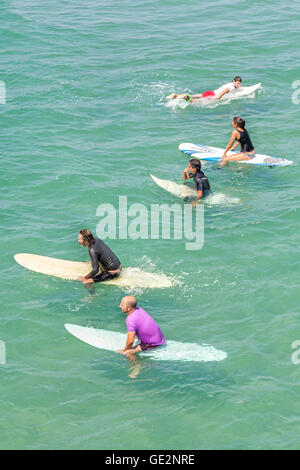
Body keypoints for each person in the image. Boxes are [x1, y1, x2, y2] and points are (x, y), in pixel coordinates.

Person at [166, 76, 242, 102]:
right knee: (196, 102)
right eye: (237, 83)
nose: (238, 85)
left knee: (195, 96)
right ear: (234, 81)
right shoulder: (230, 87)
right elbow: (223, 92)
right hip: (212, 95)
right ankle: (186, 97)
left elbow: (234, 88)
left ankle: (175, 95)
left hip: (210, 92)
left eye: (239, 83)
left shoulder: (231, 84)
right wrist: (216, 99)